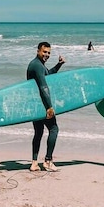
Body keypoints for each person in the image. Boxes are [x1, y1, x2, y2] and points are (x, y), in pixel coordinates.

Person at [26, 42, 66, 172]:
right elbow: (44, 87)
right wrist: (49, 107)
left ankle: (34, 163)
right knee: (54, 129)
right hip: (42, 104)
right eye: (44, 52)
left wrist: (59, 64)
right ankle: (48, 161)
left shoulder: (38, 65)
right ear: (38, 51)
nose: (47, 55)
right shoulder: (37, 66)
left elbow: (48, 74)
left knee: (38, 132)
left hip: (35, 104)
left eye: (49, 52)